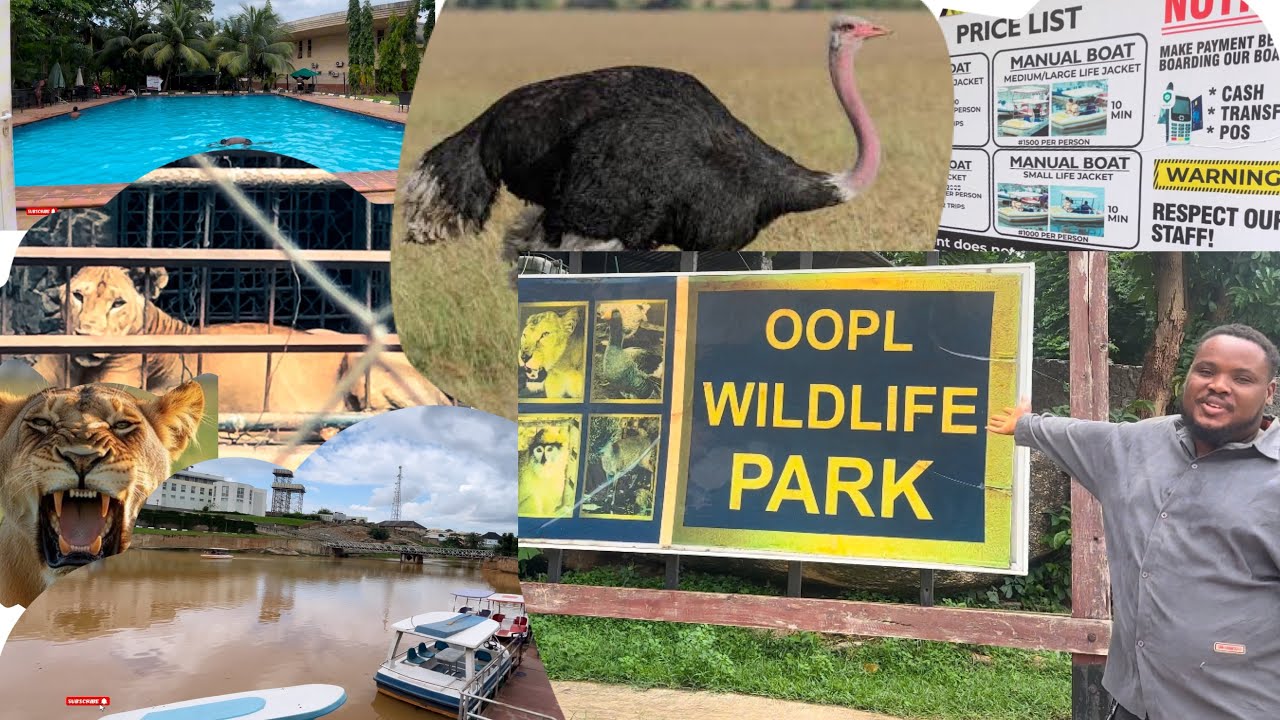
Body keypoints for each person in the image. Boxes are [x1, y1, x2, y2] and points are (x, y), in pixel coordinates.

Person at [987, 324, 1280, 719]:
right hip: (1134, 700)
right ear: (1188, 376)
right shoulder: (1136, 445)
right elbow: (1074, 434)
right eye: (1206, 371)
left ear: (1269, 392)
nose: (1219, 386)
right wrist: (1024, 425)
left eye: (1242, 378)